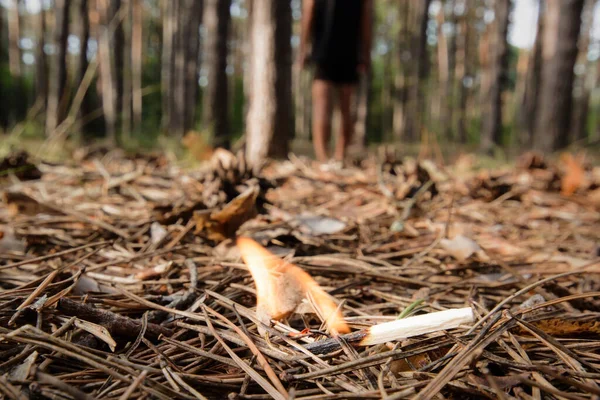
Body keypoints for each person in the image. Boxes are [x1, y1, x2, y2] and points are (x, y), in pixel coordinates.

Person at [298, 0, 372, 167]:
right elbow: (366, 20)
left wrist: (303, 49)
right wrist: (366, 52)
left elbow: (308, 12)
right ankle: (334, 158)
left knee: (329, 106)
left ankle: (328, 159)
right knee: (339, 106)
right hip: (343, 51)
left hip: (330, 50)